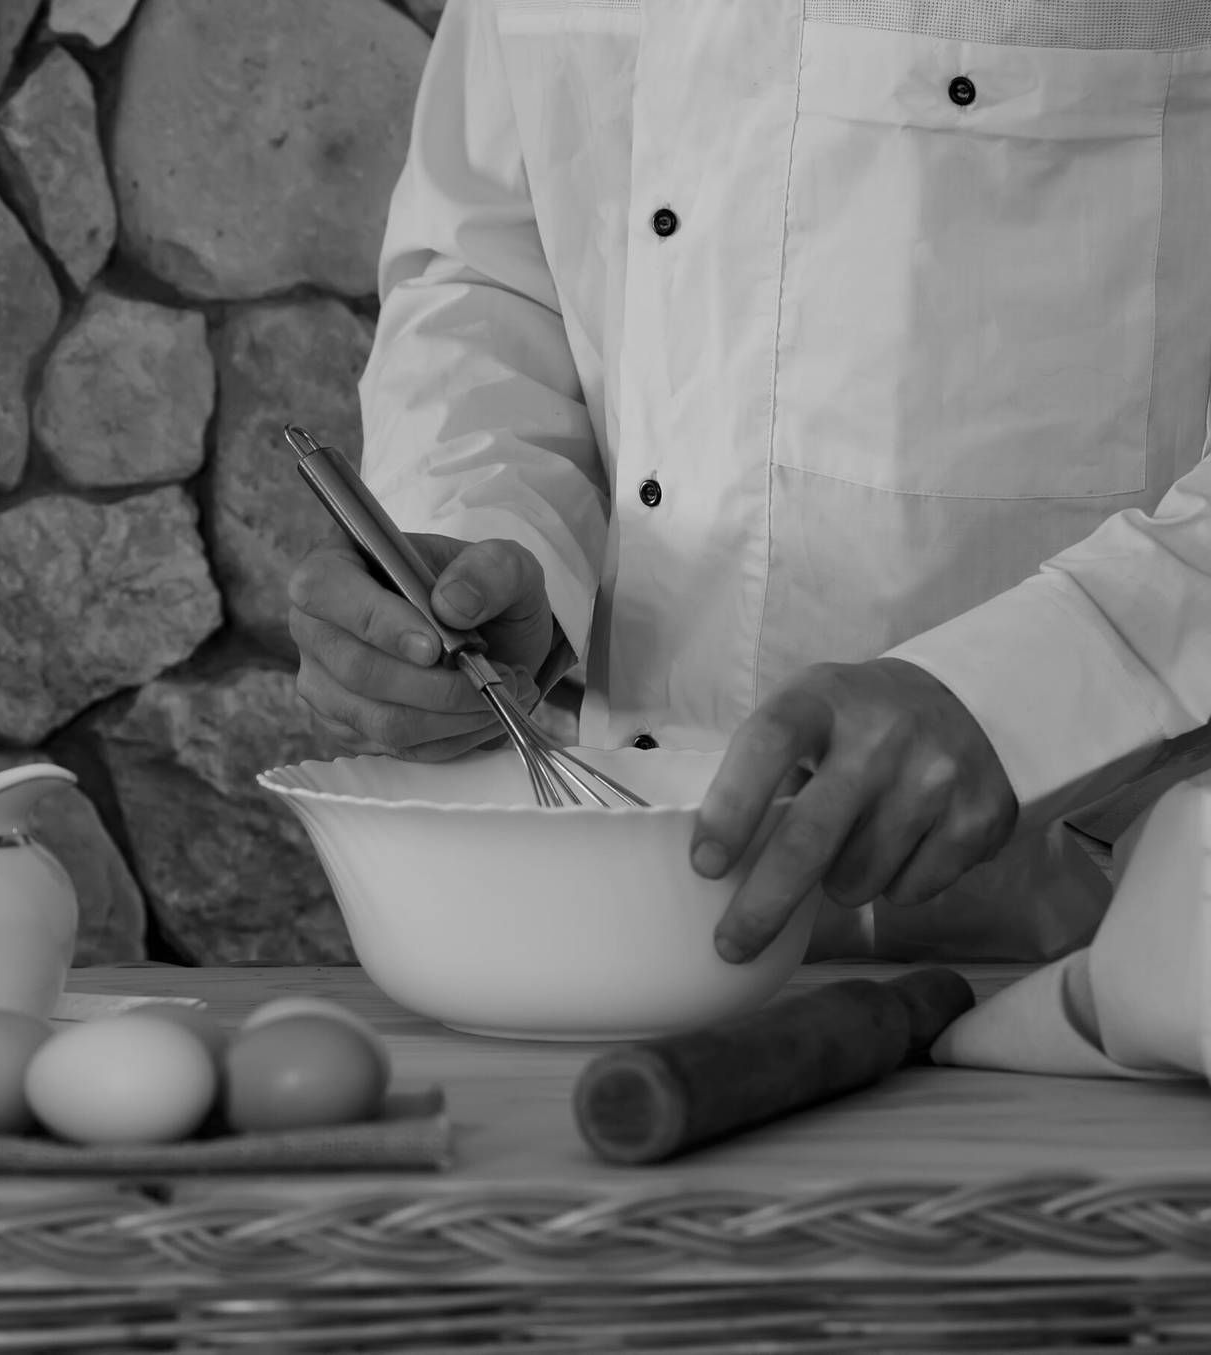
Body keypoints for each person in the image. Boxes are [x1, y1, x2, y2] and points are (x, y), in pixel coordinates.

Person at [286, 1, 1211, 965]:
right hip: (636, 948)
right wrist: (476, 543)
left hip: (1120, 938)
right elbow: (493, 267)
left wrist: (1032, 690)